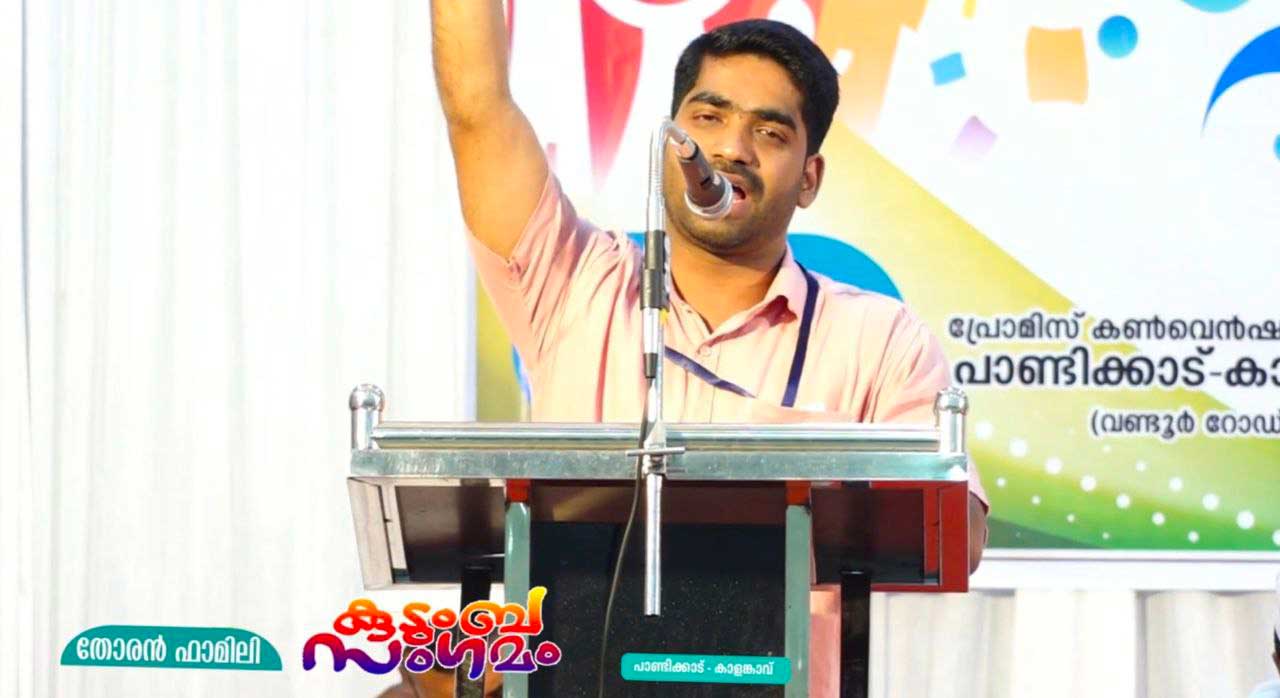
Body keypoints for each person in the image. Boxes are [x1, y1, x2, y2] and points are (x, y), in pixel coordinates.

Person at [386, 2, 990, 695]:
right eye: (708, 118)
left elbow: (957, 535)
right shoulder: (575, 281)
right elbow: (477, 108)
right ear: (670, 142)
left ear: (810, 178)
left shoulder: (879, 338)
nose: (731, 149)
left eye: (769, 132)